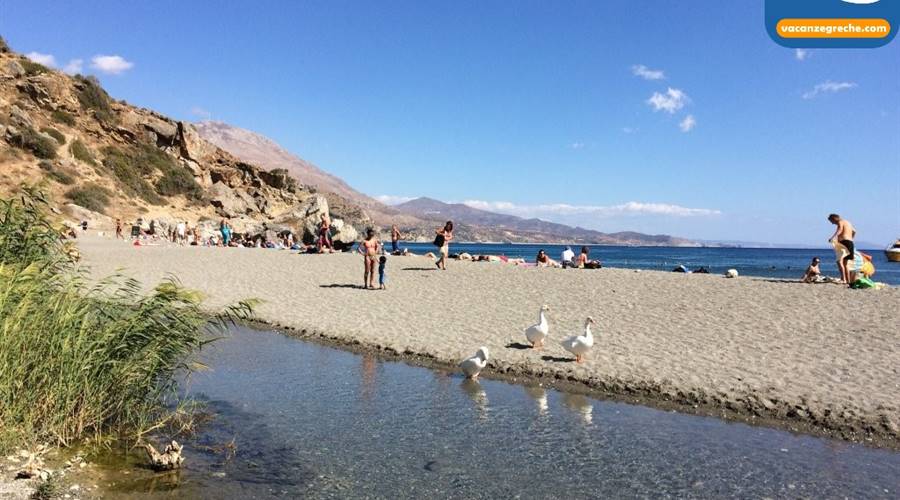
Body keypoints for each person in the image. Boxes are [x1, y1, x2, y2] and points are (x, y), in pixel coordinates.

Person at [828, 213, 856, 284]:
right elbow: (854, 231)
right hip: (850, 242)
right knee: (845, 263)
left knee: (839, 261)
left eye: (831, 221)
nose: (832, 223)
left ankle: (843, 279)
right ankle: (848, 280)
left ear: (834, 218)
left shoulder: (840, 222)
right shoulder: (848, 222)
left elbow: (840, 229)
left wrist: (833, 237)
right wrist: (851, 238)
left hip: (844, 243)